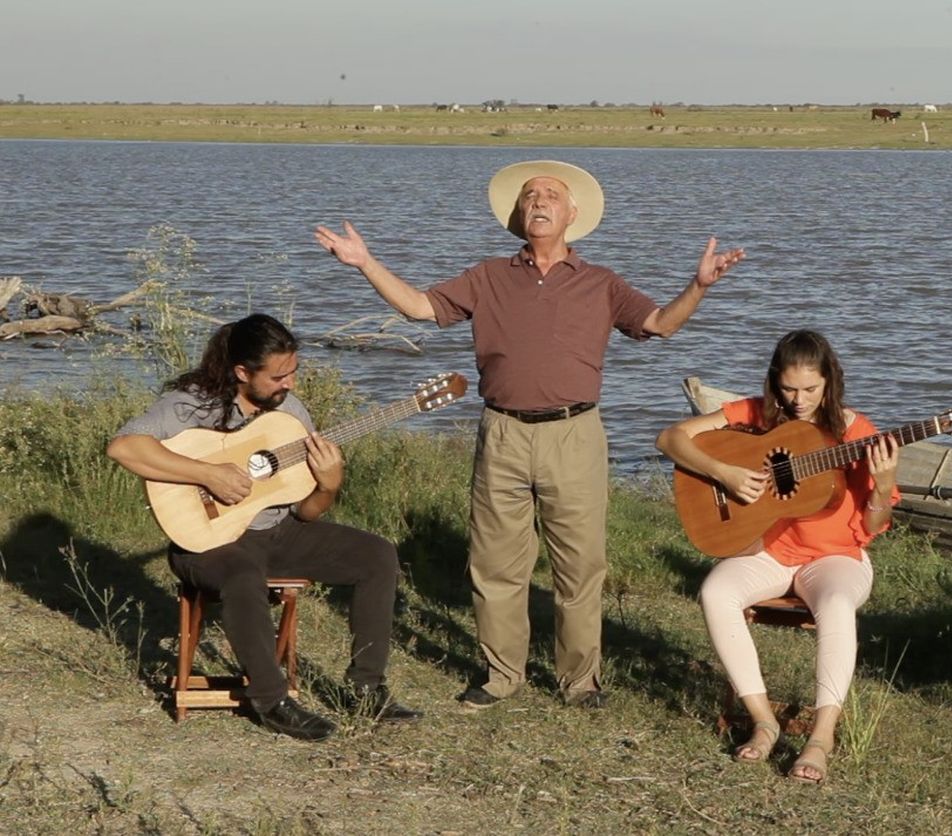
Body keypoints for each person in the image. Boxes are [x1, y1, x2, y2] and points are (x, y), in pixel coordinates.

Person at [315, 160, 743, 709]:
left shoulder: (601, 283)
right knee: (494, 563)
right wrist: (364, 262)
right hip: (503, 433)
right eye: (529, 196)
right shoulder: (488, 276)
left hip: (575, 434)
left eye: (550, 195)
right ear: (519, 215)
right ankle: (500, 676)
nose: (538, 201)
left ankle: (580, 681)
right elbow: (420, 307)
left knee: (580, 565)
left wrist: (699, 285)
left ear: (572, 214)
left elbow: (661, 323)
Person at [107, 313, 419, 741]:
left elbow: (305, 512)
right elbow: (124, 448)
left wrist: (329, 486)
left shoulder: (290, 414)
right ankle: (272, 702)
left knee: (376, 554)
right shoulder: (191, 404)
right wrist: (207, 474)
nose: (289, 383)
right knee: (242, 574)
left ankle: (366, 688)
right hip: (206, 542)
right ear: (241, 372)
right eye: (277, 376)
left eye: (293, 371)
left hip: (277, 534)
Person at [655, 330, 900, 784]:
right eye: (789, 389)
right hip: (771, 551)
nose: (800, 399)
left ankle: (821, 738)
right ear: (774, 382)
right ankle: (763, 721)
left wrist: (883, 485)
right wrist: (725, 472)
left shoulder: (855, 432)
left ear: (830, 382)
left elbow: (870, 526)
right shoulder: (756, 415)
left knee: (836, 605)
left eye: (810, 389)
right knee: (716, 591)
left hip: (837, 558)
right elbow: (670, 439)